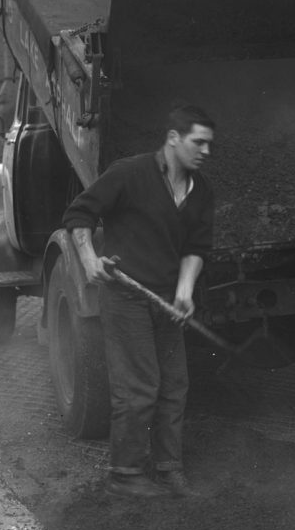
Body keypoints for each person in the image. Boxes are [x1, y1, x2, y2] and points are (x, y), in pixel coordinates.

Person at [62, 104, 215, 499]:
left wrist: (184, 291)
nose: (206, 151)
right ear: (173, 138)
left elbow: (196, 248)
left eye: (209, 144)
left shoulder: (201, 191)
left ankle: (168, 467)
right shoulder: (130, 173)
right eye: (198, 142)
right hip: (127, 296)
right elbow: (79, 214)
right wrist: (89, 258)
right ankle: (126, 474)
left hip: (167, 300)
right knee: (138, 386)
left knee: (175, 385)